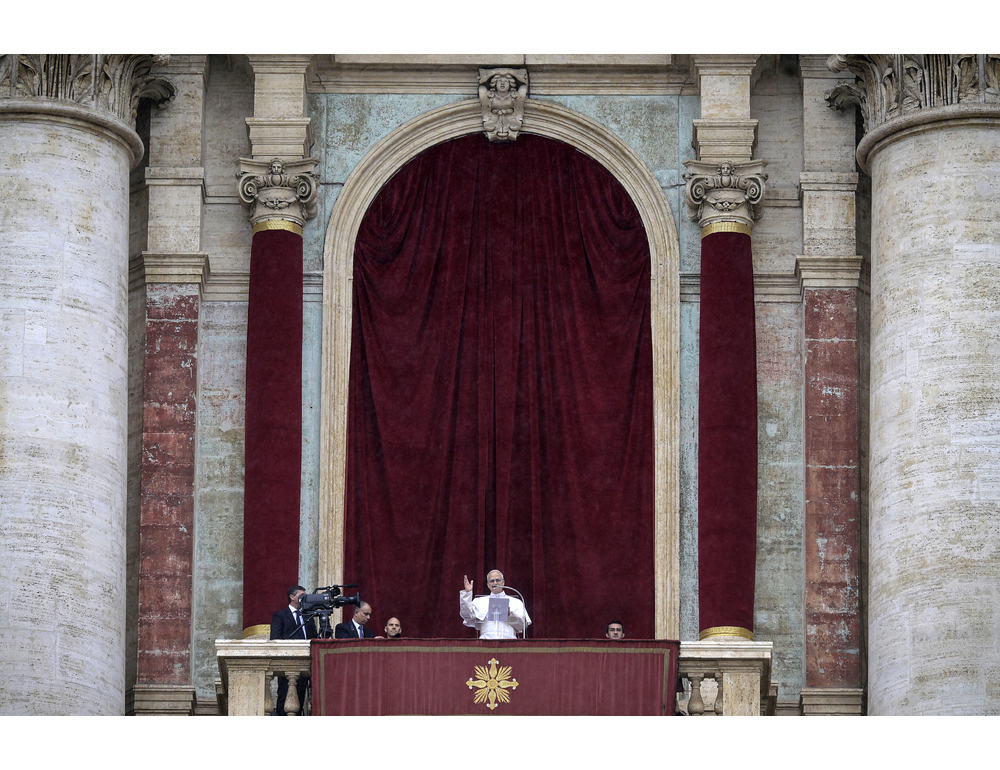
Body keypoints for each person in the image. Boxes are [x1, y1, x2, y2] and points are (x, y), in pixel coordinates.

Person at [270, 585, 316, 715]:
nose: (304, 598)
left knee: (300, 699)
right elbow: (275, 638)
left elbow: (314, 638)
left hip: (306, 663)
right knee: (285, 697)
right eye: (302, 595)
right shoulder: (280, 615)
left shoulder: (309, 616)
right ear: (292, 597)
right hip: (287, 664)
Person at [460, 570, 530, 639]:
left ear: (503, 582)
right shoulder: (479, 601)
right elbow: (467, 615)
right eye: (492, 581)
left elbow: (523, 626)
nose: (495, 583)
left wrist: (511, 616)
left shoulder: (516, 602)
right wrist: (467, 593)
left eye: (498, 580)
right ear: (488, 585)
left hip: (509, 642)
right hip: (486, 642)